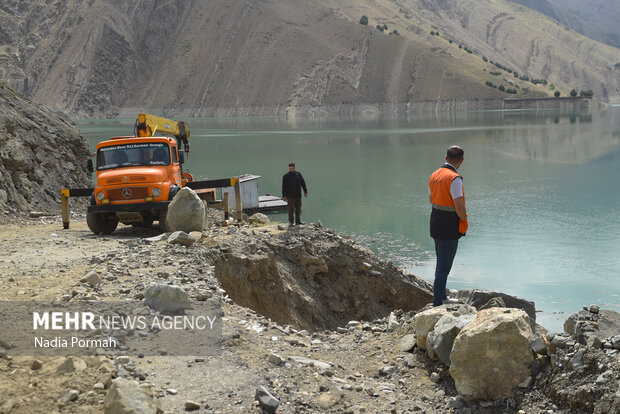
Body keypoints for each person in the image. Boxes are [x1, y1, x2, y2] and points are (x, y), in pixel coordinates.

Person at [428, 146, 468, 306]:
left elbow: (431, 198)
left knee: (440, 264)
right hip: (449, 226)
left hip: (435, 222)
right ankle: (438, 302)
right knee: (444, 268)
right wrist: (464, 220)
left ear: (446, 157)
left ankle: (442, 297)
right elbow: (459, 206)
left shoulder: (435, 175)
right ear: (461, 160)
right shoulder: (454, 178)